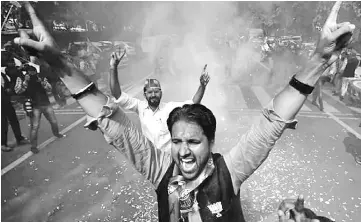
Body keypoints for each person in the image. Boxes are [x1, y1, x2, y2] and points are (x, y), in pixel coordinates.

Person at [14, 1, 354, 221]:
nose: (183, 150)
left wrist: (318, 62)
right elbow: (111, 121)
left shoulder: (229, 172)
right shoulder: (162, 171)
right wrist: (58, 63)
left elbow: (273, 121)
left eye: (193, 141)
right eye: (177, 141)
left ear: (210, 141)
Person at [108, 48, 210, 152]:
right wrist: (113, 67)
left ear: (161, 93)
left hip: (170, 158)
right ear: (144, 94)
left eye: (156, 91)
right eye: (150, 92)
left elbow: (193, 103)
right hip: (152, 159)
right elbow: (117, 95)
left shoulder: (169, 108)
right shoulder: (140, 107)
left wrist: (202, 85)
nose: (153, 95)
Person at [14, 64, 65, 154]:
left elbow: (49, 89)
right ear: (27, 73)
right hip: (34, 106)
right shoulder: (21, 78)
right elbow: (18, 91)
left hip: (45, 103)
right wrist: (25, 81)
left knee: (53, 121)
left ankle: (56, 133)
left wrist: (42, 82)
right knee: (35, 127)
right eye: (31, 73)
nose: (33, 74)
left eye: (34, 72)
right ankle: (34, 146)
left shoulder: (40, 77)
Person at [1, 58, 29, 152]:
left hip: (6, 101)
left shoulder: (1, 74)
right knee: (3, 123)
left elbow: (8, 83)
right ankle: (3, 144)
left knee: (13, 119)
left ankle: (19, 138)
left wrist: (9, 89)